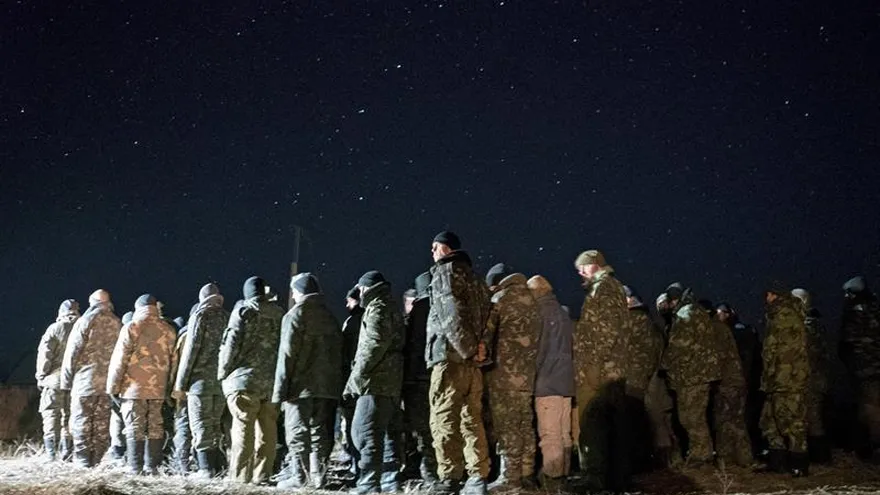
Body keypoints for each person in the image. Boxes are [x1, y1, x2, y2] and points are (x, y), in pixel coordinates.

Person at [426, 231, 491, 495]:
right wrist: (480, 348)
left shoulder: (444, 273)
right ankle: (477, 476)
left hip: (450, 357)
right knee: (471, 417)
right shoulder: (475, 279)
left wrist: (465, 350)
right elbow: (487, 315)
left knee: (443, 417)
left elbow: (450, 312)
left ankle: (450, 478)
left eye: (434, 247)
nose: (431, 252)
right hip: (473, 360)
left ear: (445, 248)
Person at [273, 273, 343, 489]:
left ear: (300, 291)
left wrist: (280, 392)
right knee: (320, 432)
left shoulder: (295, 315)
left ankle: (300, 477)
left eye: (294, 290)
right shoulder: (331, 317)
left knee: (297, 432)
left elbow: (287, 355)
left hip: (301, 387)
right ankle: (319, 477)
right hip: (328, 387)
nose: (292, 295)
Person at [572, 250, 631, 491]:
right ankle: (614, 480)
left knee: (592, 424)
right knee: (611, 426)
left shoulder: (604, 288)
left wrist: (593, 367)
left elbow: (605, 331)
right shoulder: (613, 288)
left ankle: (594, 479)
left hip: (600, 371)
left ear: (594, 265)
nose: (580, 272)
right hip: (612, 369)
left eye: (582, 267)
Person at [218, 276, 284, 484]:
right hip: (272, 382)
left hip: (244, 381)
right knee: (268, 429)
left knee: (243, 428)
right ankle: (262, 475)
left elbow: (231, 345)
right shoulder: (280, 314)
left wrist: (223, 373)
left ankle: (240, 478)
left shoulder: (243, 311)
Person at [343, 270, 405, 494]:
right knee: (386, 432)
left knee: (364, 431)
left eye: (360, 289)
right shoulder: (392, 306)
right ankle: (389, 481)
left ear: (366, 288)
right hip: (390, 381)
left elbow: (373, 345)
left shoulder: (377, 307)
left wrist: (356, 377)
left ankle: (368, 484)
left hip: (375, 381)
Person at [482, 264, 540, 491]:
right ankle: (527, 473)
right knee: (525, 423)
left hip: (504, 375)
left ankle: (510, 477)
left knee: (507, 426)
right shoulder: (533, 301)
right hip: (527, 375)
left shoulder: (500, 300)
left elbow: (487, 336)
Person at [106, 294, 177, 475]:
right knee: (155, 426)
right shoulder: (168, 330)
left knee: (134, 428)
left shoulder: (132, 327)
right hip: (158, 389)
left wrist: (112, 387)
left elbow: (119, 360)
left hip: (133, 389)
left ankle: (134, 468)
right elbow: (174, 362)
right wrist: (169, 388)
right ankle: (152, 467)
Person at [659, 284, 721, 467]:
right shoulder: (696, 311)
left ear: (673, 300)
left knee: (691, 417)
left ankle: (702, 456)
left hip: (693, 375)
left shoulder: (685, 314)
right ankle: (702, 454)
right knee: (695, 416)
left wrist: (664, 364)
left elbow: (678, 345)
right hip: (699, 374)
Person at [60, 289, 122, 467]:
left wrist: (66, 381)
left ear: (93, 302)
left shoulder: (85, 320)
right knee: (102, 423)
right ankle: (96, 460)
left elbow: (72, 352)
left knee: (81, 421)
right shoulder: (117, 322)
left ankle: (83, 461)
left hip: (85, 382)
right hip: (107, 384)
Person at [173, 283, 229, 478]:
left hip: (199, 382)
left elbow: (191, 351)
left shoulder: (200, 315)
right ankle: (216, 468)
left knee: (200, 425)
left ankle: (205, 469)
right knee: (215, 425)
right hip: (221, 383)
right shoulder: (227, 316)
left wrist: (181, 384)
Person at [527, 275, 574, 489]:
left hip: (547, 382)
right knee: (564, 433)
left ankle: (553, 480)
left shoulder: (540, 314)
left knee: (549, 435)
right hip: (566, 383)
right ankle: (563, 475)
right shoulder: (563, 313)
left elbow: (538, 350)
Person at [760, 282, 810, 476]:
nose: (767, 299)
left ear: (776, 294)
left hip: (787, 378)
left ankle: (799, 463)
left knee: (791, 420)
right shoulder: (777, 315)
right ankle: (778, 461)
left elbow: (779, 350)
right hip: (777, 378)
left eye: (769, 294)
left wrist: (775, 374)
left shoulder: (784, 315)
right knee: (770, 420)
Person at [701, 301, 751, 468]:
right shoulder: (721, 328)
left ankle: (728, 459)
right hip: (734, 380)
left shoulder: (716, 329)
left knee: (725, 420)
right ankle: (742, 458)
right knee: (735, 420)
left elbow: (718, 357)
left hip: (727, 381)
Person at [839, 276, 880, 460]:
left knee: (870, 409)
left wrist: (851, 357)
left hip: (866, 368)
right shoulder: (874, 307)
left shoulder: (857, 311)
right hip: (870, 367)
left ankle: (874, 447)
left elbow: (850, 340)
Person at [402, 272, 437, 483]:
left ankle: (427, 471)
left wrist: (409, 376)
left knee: (420, 426)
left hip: (418, 377)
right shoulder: (440, 305)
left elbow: (414, 345)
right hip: (436, 374)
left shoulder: (421, 310)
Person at [35, 299, 80, 461]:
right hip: (77, 380)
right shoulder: (83, 327)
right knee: (70, 415)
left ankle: (51, 454)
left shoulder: (55, 328)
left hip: (55, 378)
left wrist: (41, 376)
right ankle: (67, 453)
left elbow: (45, 354)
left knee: (51, 413)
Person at [792, 288, 831, 463]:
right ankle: (818, 456)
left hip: (810, 379)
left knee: (812, 417)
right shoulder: (810, 324)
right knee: (810, 417)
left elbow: (810, 355)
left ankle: (819, 457)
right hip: (811, 378)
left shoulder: (809, 326)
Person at [341, 285, 365, 474]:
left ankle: (356, 464)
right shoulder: (369, 318)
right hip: (365, 381)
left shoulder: (352, 322)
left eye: (349, 301)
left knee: (352, 425)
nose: (346, 305)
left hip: (352, 380)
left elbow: (345, 352)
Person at [171, 315, 192, 473]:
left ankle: (183, 464)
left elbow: (176, 365)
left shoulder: (185, 335)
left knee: (183, 425)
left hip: (186, 389)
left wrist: (173, 390)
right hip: (212, 389)